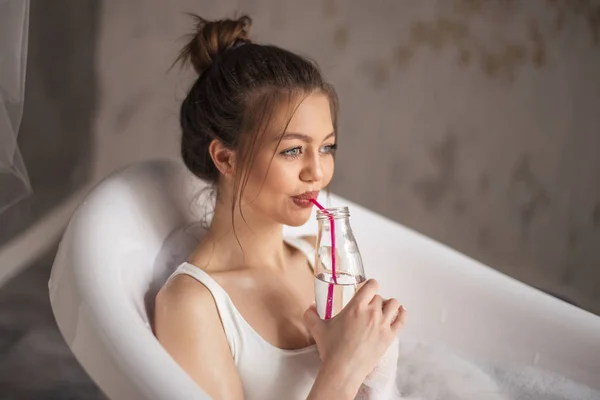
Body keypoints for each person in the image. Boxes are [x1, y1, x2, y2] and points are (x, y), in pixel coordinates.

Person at [154, 15, 406, 400]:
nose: (317, 172)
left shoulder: (318, 264)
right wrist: (344, 367)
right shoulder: (191, 306)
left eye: (326, 147)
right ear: (225, 158)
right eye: (293, 150)